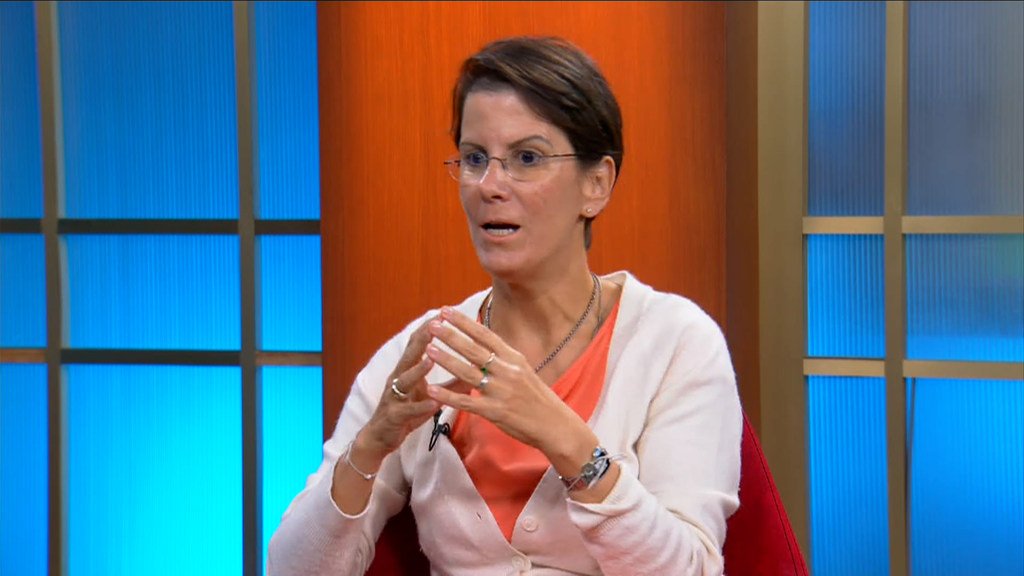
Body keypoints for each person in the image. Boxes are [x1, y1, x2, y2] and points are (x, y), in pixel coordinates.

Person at [268, 36, 741, 576]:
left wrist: (566, 442)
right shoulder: (429, 351)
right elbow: (290, 570)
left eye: (527, 158)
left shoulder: (675, 342)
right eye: (475, 159)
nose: (489, 186)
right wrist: (370, 447)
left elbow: (691, 569)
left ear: (597, 184)